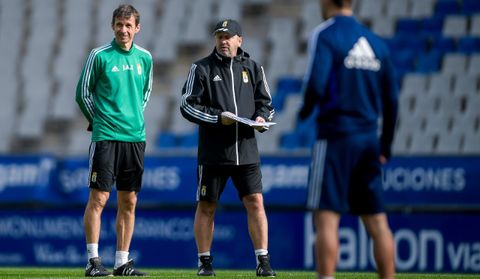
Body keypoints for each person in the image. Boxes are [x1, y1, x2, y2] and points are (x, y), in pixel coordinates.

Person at [298, 0, 398, 279]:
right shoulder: (376, 42)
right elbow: (392, 101)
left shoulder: (326, 34)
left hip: (335, 137)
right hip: (369, 140)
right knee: (378, 221)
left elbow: (316, 84)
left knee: (327, 217)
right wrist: (385, 145)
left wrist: (304, 111)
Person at [180, 19, 276, 277]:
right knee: (207, 205)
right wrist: (216, 117)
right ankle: (204, 262)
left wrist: (261, 118)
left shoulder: (254, 68)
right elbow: (187, 105)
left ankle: (263, 261)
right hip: (214, 152)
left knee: (256, 202)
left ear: (239, 40)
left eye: (228, 36)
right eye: (219, 36)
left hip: (246, 150)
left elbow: (265, 103)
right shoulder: (201, 68)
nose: (223, 40)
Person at [75, 4, 152, 277]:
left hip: (135, 138)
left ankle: (121, 262)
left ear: (137, 28)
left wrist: (130, 119)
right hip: (106, 136)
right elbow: (83, 93)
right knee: (99, 198)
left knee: (129, 200)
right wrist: (100, 120)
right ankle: (93, 261)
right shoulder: (99, 55)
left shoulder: (145, 58)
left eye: (129, 25)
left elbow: (144, 94)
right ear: (113, 26)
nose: (124, 30)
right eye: (119, 24)